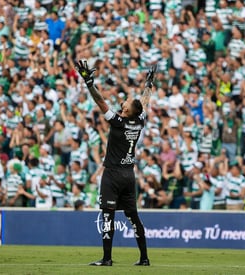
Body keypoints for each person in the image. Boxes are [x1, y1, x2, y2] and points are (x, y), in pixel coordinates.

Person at [75, 60, 154, 266]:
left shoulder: (118, 122)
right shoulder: (139, 121)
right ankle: (144, 258)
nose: (124, 102)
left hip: (113, 175)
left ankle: (107, 258)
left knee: (108, 215)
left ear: (127, 110)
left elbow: (100, 101)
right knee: (134, 217)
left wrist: (89, 83)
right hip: (129, 175)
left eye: (126, 102)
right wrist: (149, 84)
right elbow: (144, 103)